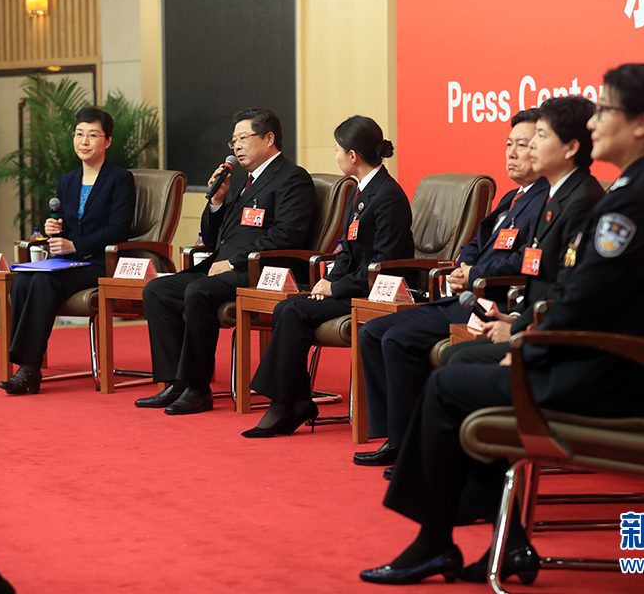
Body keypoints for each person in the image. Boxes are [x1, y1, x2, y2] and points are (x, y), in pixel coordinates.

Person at [359, 63, 644, 585]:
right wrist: (526, 336)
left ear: (640, 124)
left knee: (449, 385)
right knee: (459, 371)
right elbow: (588, 295)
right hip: (610, 361)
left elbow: (588, 301)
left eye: (604, 111)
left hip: (608, 375)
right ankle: (508, 541)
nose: (593, 123)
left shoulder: (636, 199)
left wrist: (527, 347)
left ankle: (436, 542)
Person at [353, 105, 582, 470]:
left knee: (397, 339)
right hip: (467, 294)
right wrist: (464, 266)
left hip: (494, 301)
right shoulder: (512, 198)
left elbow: (528, 259)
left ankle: (411, 442)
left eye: (526, 143)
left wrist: (476, 273)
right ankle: (396, 435)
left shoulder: (548, 199)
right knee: (373, 331)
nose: (513, 153)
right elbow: (476, 242)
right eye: (509, 144)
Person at [242, 116, 414, 437]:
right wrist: (330, 282)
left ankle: (286, 404)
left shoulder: (387, 195)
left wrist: (337, 288)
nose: (335, 156)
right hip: (354, 286)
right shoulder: (361, 190)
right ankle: (294, 400)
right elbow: (348, 249)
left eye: (337, 150)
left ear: (353, 156)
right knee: (286, 307)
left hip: (376, 292)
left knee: (293, 310)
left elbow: (385, 263)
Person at [136, 108, 315, 415]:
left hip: (261, 271)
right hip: (223, 267)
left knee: (198, 291)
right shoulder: (242, 182)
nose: (237, 147)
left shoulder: (292, 178)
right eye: (234, 141)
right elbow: (211, 239)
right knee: (157, 290)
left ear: (269, 138)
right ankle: (176, 382)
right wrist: (217, 202)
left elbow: (288, 236)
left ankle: (198, 388)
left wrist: (234, 263)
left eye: (243, 138)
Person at [436, 95, 605, 375]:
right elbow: (538, 271)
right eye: (511, 144)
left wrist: (519, 329)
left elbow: (566, 286)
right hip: (528, 317)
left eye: (540, 136)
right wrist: (515, 318)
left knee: (454, 367)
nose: (531, 146)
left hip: (554, 336)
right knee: (453, 358)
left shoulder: (581, 200)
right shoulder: (555, 194)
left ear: (571, 148)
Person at [0, 107, 136, 394]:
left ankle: (29, 368)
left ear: (108, 141)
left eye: (93, 135)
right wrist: (53, 229)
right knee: (22, 279)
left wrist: (76, 245)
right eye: (79, 134)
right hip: (68, 262)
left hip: (100, 263)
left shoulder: (120, 179)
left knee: (43, 281)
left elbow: (118, 229)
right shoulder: (67, 181)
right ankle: (26, 366)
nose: (84, 141)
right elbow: (65, 225)